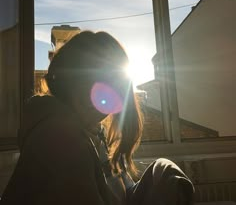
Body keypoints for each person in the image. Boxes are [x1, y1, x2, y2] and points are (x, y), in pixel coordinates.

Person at [1, 31, 194, 205]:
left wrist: (158, 178)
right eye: (90, 81)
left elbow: (117, 194)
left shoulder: (94, 133)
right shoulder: (60, 139)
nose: (100, 97)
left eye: (113, 88)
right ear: (66, 80)